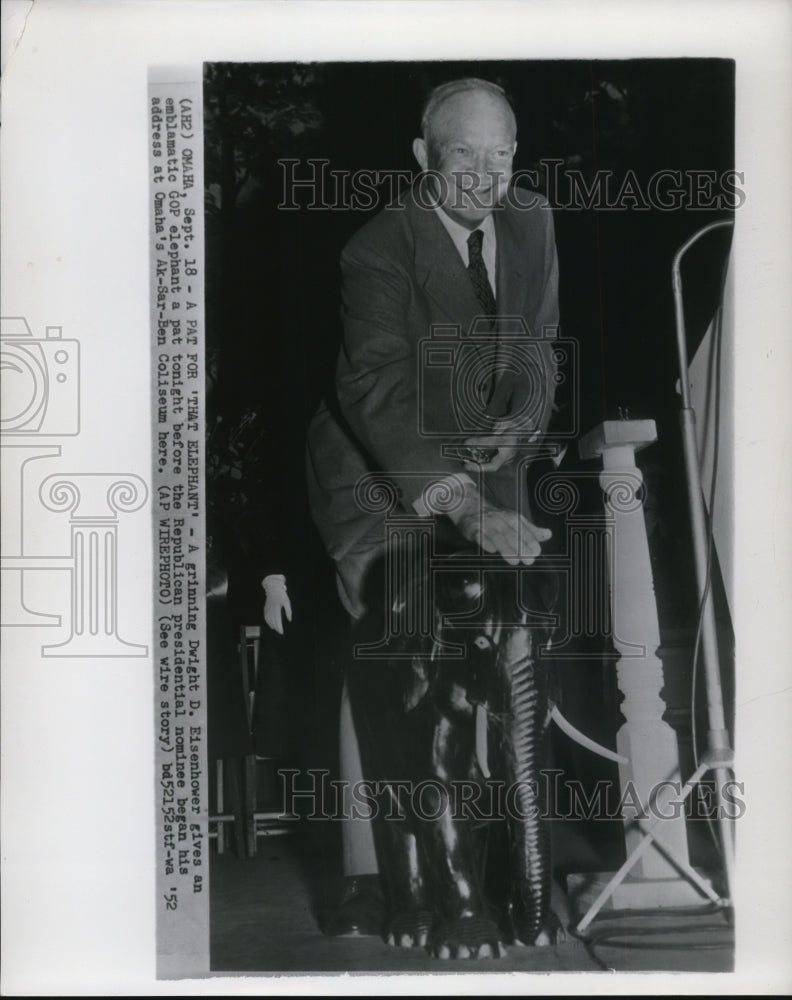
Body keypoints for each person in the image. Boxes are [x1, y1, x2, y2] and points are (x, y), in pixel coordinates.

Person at [306, 77, 561, 935]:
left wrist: (519, 426)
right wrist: (461, 505)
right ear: (423, 158)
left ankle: (503, 884)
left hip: (475, 454)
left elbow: (537, 351)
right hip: (375, 472)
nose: (485, 175)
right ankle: (423, 893)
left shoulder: (531, 217)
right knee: (414, 663)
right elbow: (373, 388)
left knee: (500, 652)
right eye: (463, 155)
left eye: (501, 154)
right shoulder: (376, 248)